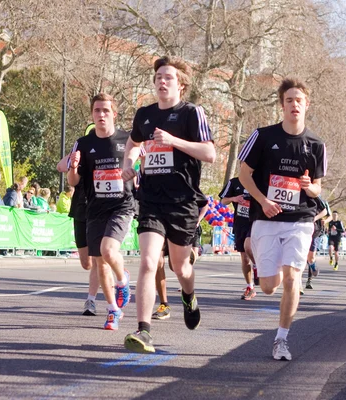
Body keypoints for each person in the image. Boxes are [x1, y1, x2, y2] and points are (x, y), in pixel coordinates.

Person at [121, 56, 215, 353]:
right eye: (158, 77)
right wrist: (129, 163)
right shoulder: (144, 115)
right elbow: (134, 144)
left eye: (168, 77)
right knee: (149, 262)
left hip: (183, 202)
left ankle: (188, 295)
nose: (161, 81)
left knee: (180, 266)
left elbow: (210, 153)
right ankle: (143, 330)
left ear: (181, 85)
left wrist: (173, 140)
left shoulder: (191, 113)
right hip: (150, 199)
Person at [237, 77, 326, 361]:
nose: (294, 105)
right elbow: (244, 175)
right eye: (289, 100)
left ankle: (281, 340)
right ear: (282, 105)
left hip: (300, 220)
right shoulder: (263, 136)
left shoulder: (316, 144)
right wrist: (263, 201)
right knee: (268, 287)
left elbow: (317, 188)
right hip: (266, 218)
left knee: (292, 279)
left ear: (307, 105)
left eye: (299, 100)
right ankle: (256, 255)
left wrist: (307, 186)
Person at [68, 93, 134, 331]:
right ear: (92, 114)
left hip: (122, 205)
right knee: (99, 262)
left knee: (108, 250)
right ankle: (113, 310)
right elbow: (73, 181)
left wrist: (138, 175)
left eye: (106, 111)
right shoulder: (83, 143)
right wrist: (73, 168)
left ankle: (123, 279)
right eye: (97, 111)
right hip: (94, 208)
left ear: (114, 114)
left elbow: (143, 161)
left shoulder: (128, 139)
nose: (101, 115)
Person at [57, 145, 95, 316]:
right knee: (86, 264)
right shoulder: (79, 156)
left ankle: (91, 300)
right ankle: (106, 268)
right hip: (80, 209)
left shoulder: (106, 156)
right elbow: (60, 166)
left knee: (101, 257)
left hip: (99, 209)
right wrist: (74, 157)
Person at [219, 176, 257, 300]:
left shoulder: (260, 180)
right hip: (240, 223)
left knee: (248, 246)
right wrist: (235, 198)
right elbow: (223, 201)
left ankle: (257, 266)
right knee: (245, 259)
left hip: (256, 222)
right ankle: (250, 287)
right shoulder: (234, 182)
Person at [304, 196, 330, 290]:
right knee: (302, 257)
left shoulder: (317, 199)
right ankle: (302, 284)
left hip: (315, 231)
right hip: (301, 231)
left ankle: (313, 267)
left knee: (310, 258)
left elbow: (326, 212)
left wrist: (316, 218)